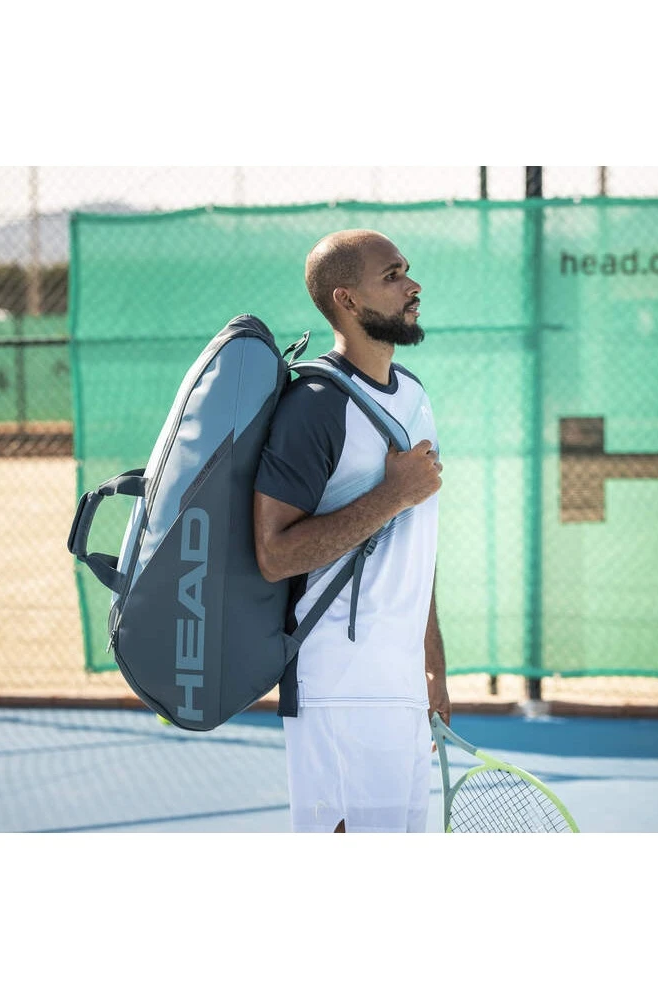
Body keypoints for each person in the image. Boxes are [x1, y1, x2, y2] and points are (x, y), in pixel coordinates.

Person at [253, 228, 451, 834]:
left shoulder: (414, 393)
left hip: (401, 688)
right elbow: (274, 554)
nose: (413, 286)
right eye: (392, 277)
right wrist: (393, 494)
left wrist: (433, 669)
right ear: (346, 299)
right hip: (340, 686)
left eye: (406, 270)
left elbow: (415, 549)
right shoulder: (315, 405)